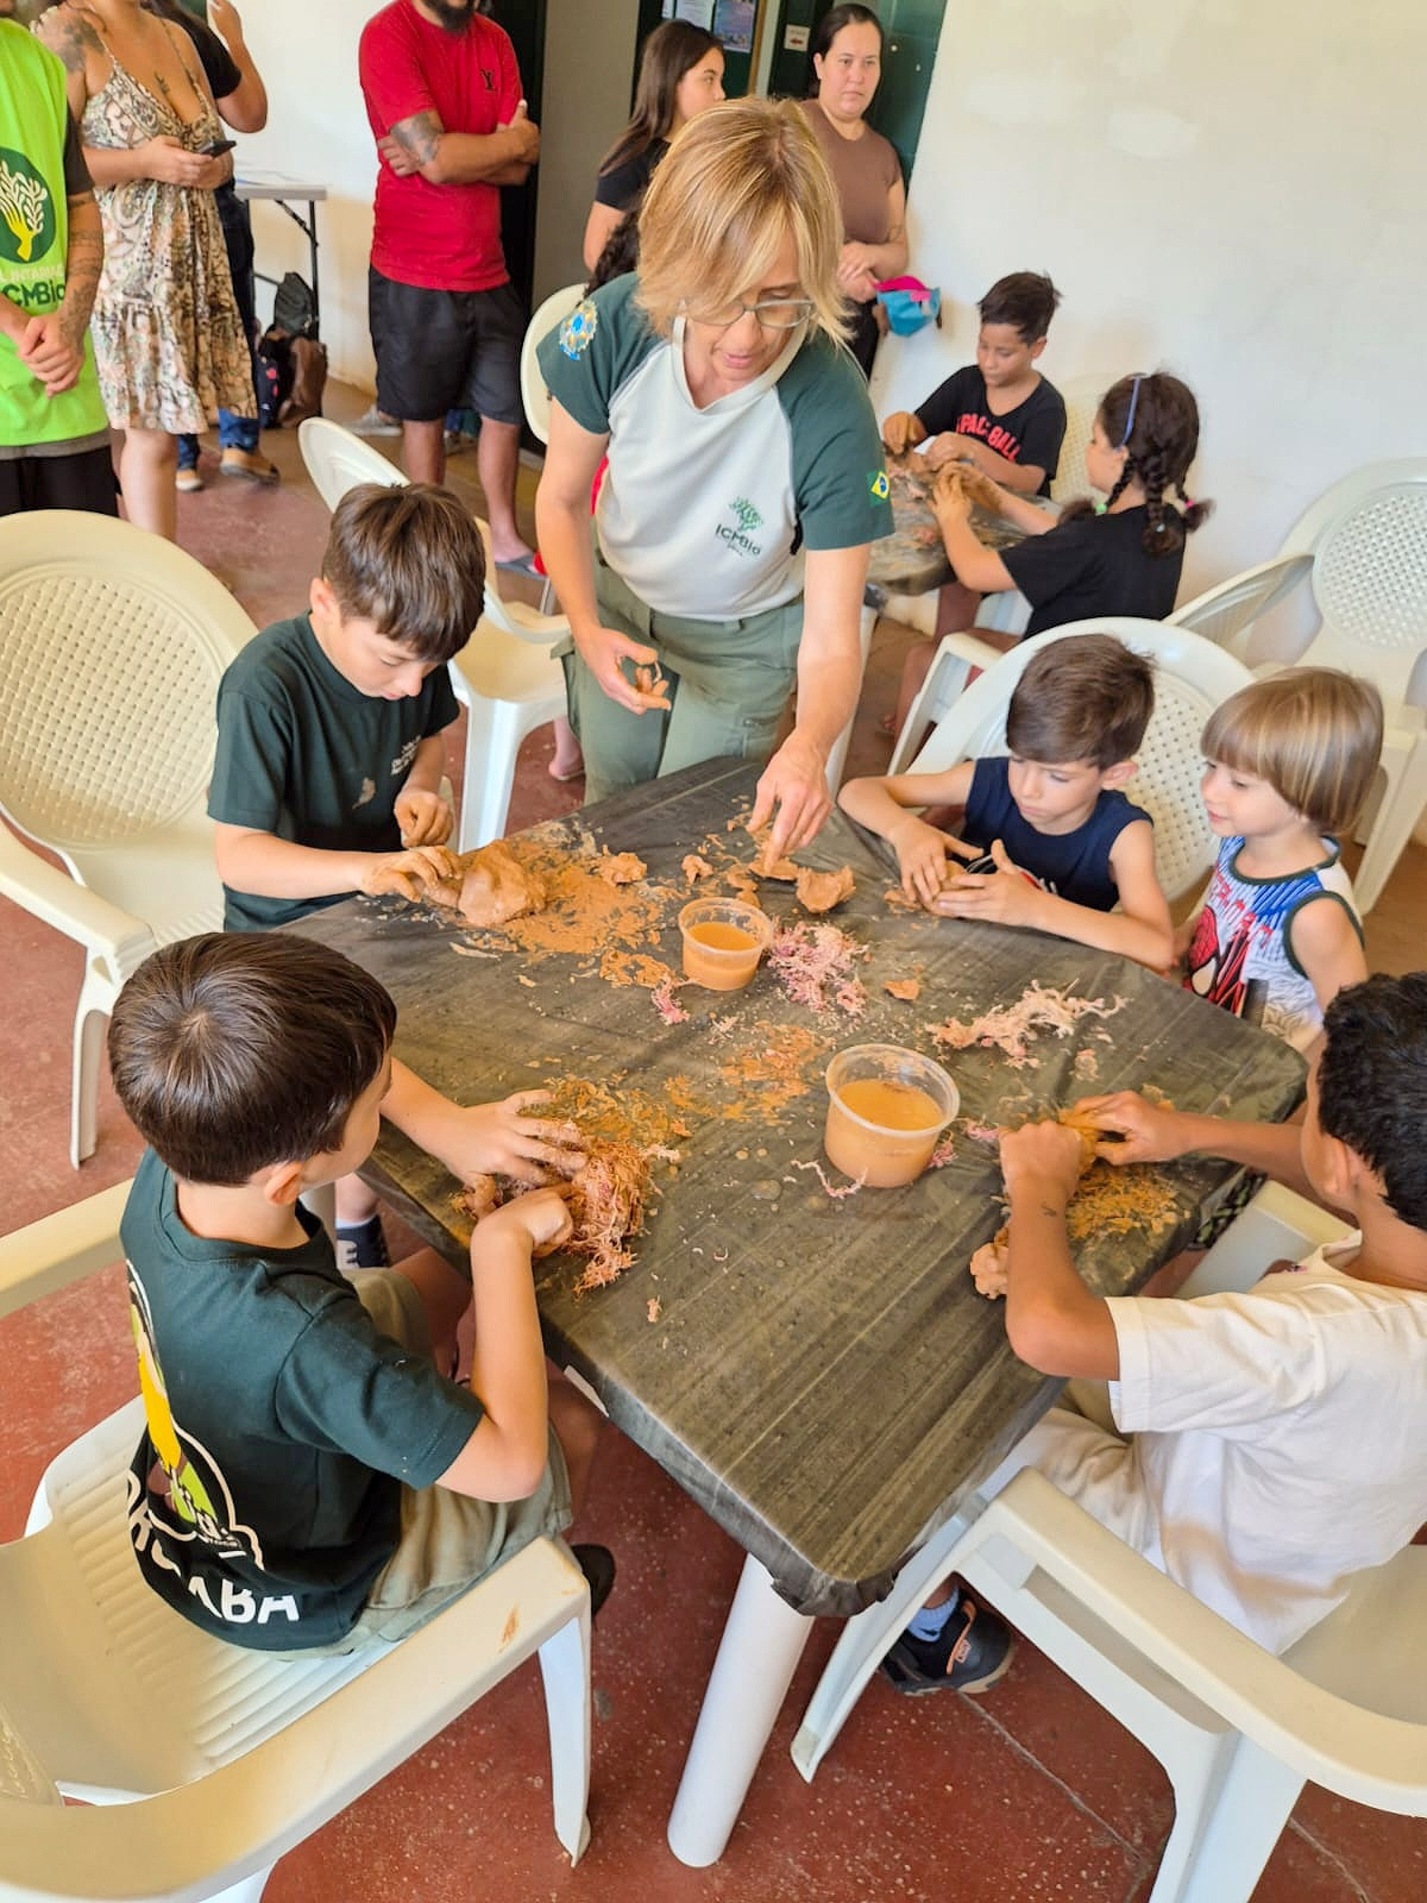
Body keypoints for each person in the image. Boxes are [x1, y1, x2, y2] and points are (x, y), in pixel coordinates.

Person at [885, 970, 1427, 1689]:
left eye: (1310, 1108)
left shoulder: (1314, 1344)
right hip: (1269, 1558)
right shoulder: (1393, 1247)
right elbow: (1341, 1175)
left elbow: (1047, 1331)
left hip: (1173, 1575)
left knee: (915, 1401)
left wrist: (1038, 1187)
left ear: (1341, 1160)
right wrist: (1190, 1133)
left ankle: (927, 1620)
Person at [108, 930, 611, 1652]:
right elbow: (510, 1464)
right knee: (570, 1422)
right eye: (376, 1100)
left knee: (425, 1278)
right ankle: (534, 1580)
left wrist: (448, 1125)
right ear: (291, 1176)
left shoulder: (184, 1157)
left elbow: (349, 1070)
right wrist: (500, 1244)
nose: (388, 1096)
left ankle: (439, 1410)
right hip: (321, 1578)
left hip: (243, 1430)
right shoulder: (307, 1341)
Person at [535, 97, 892, 857]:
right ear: (670, 265)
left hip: (745, 644)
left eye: (777, 301)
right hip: (621, 607)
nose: (743, 337)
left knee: (689, 838)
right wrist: (586, 626)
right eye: (719, 297)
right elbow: (561, 499)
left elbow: (831, 639)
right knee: (609, 813)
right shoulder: (616, 327)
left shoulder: (829, 402)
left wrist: (807, 743)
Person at [207, 481, 540, 1270]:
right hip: (282, 934)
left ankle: (359, 1203)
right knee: (362, 1060)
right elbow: (238, 853)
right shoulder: (267, 685)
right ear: (324, 601)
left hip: (383, 902)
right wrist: (369, 869)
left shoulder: (412, 664)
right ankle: (355, 1217)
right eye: (392, 662)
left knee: (469, 1022)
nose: (410, 686)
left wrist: (423, 790)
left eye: (431, 666)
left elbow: (430, 735)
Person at [35, 0, 252, 540]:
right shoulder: (71, 31)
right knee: (150, 438)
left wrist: (213, 166)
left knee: (166, 433)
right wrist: (143, 163)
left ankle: (159, 572)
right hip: (121, 276)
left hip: (190, 267)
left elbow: (225, 136)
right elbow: (46, 161)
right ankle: (160, 586)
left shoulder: (175, 34)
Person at [840, 633, 1173, 969]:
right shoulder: (991, 780)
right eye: (1018, 759)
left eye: (1056, 777)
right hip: (945, 954)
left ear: (1113, 775)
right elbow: (857, 792)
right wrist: (905, 830)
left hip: (1042, 980)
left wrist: (1034, 909)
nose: (1027, 788)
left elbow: (1157, 946)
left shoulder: (1123, 835)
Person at [358, 0, 539, 570]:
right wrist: (486, 146)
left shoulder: (497, 42)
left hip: (488, 266)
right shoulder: (389, 34)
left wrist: (455, 152)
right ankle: (431, 540)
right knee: (424, 415)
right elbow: (440, 160)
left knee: (506, 408)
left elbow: (519, 166)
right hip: (413, 271)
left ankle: (505, 533)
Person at [1184, 668, 1383, 1052]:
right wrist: (1179, 941)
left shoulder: (1316, 913)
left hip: (1258, 1078)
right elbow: (1219, 918)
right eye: (1211, 766)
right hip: (1199, 1035)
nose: (1209, 789)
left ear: (1310, 799)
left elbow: (1351, 1032)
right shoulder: (1237, 842)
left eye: (1239, 783)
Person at [930, 372, 1212, 640]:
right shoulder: (1166, 525)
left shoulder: (1088, 541)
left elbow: (974, 572)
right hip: (1099, 680)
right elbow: (1067, 537)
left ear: (1120, 456)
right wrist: (996, 496)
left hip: (1046, 682)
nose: (1088, 448)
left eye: (1094, 440)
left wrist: (951, 516)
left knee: (924, 657)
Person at [143, 0, 276, 492]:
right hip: (211, 200)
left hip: (144, 216)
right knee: (234, 330)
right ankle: (240, 442)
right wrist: (234, 37)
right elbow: (251, 113)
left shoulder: (89, 31)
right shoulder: (186, 27)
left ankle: (182, 456)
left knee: (169, 335)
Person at [0, 0, 114, 515]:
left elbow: (79, 203)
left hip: (64, 403)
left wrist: (69, 323)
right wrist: (20, 324)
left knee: (78, 590)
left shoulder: (39, 61)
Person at [880, 271, 1066, 499]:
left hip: (1010, 522)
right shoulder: (967, 382)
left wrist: (971, 449)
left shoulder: (1047, 407)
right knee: (875, 485)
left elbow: (1029, 483)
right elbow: (916, 429)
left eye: (1004, 353)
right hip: (956, 504)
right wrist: (900, 425)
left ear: (1036, 348)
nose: (988, 362)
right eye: (983, 346)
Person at [801, 4, 906, 377]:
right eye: (845, 61)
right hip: (792, 315)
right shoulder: (790, 127)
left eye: (869, 63)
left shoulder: (884, 154)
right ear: (820, 64)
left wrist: (867, 253)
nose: (857, 76)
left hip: (853, 334)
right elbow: (760, 225)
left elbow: (899, 253)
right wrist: (832, 273)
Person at [581, 18, 723, 275]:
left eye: (720, 80)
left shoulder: (707, 154)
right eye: (708, 80)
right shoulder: (632, 157)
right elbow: (596, 253)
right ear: (673, 80)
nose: (720, 94)